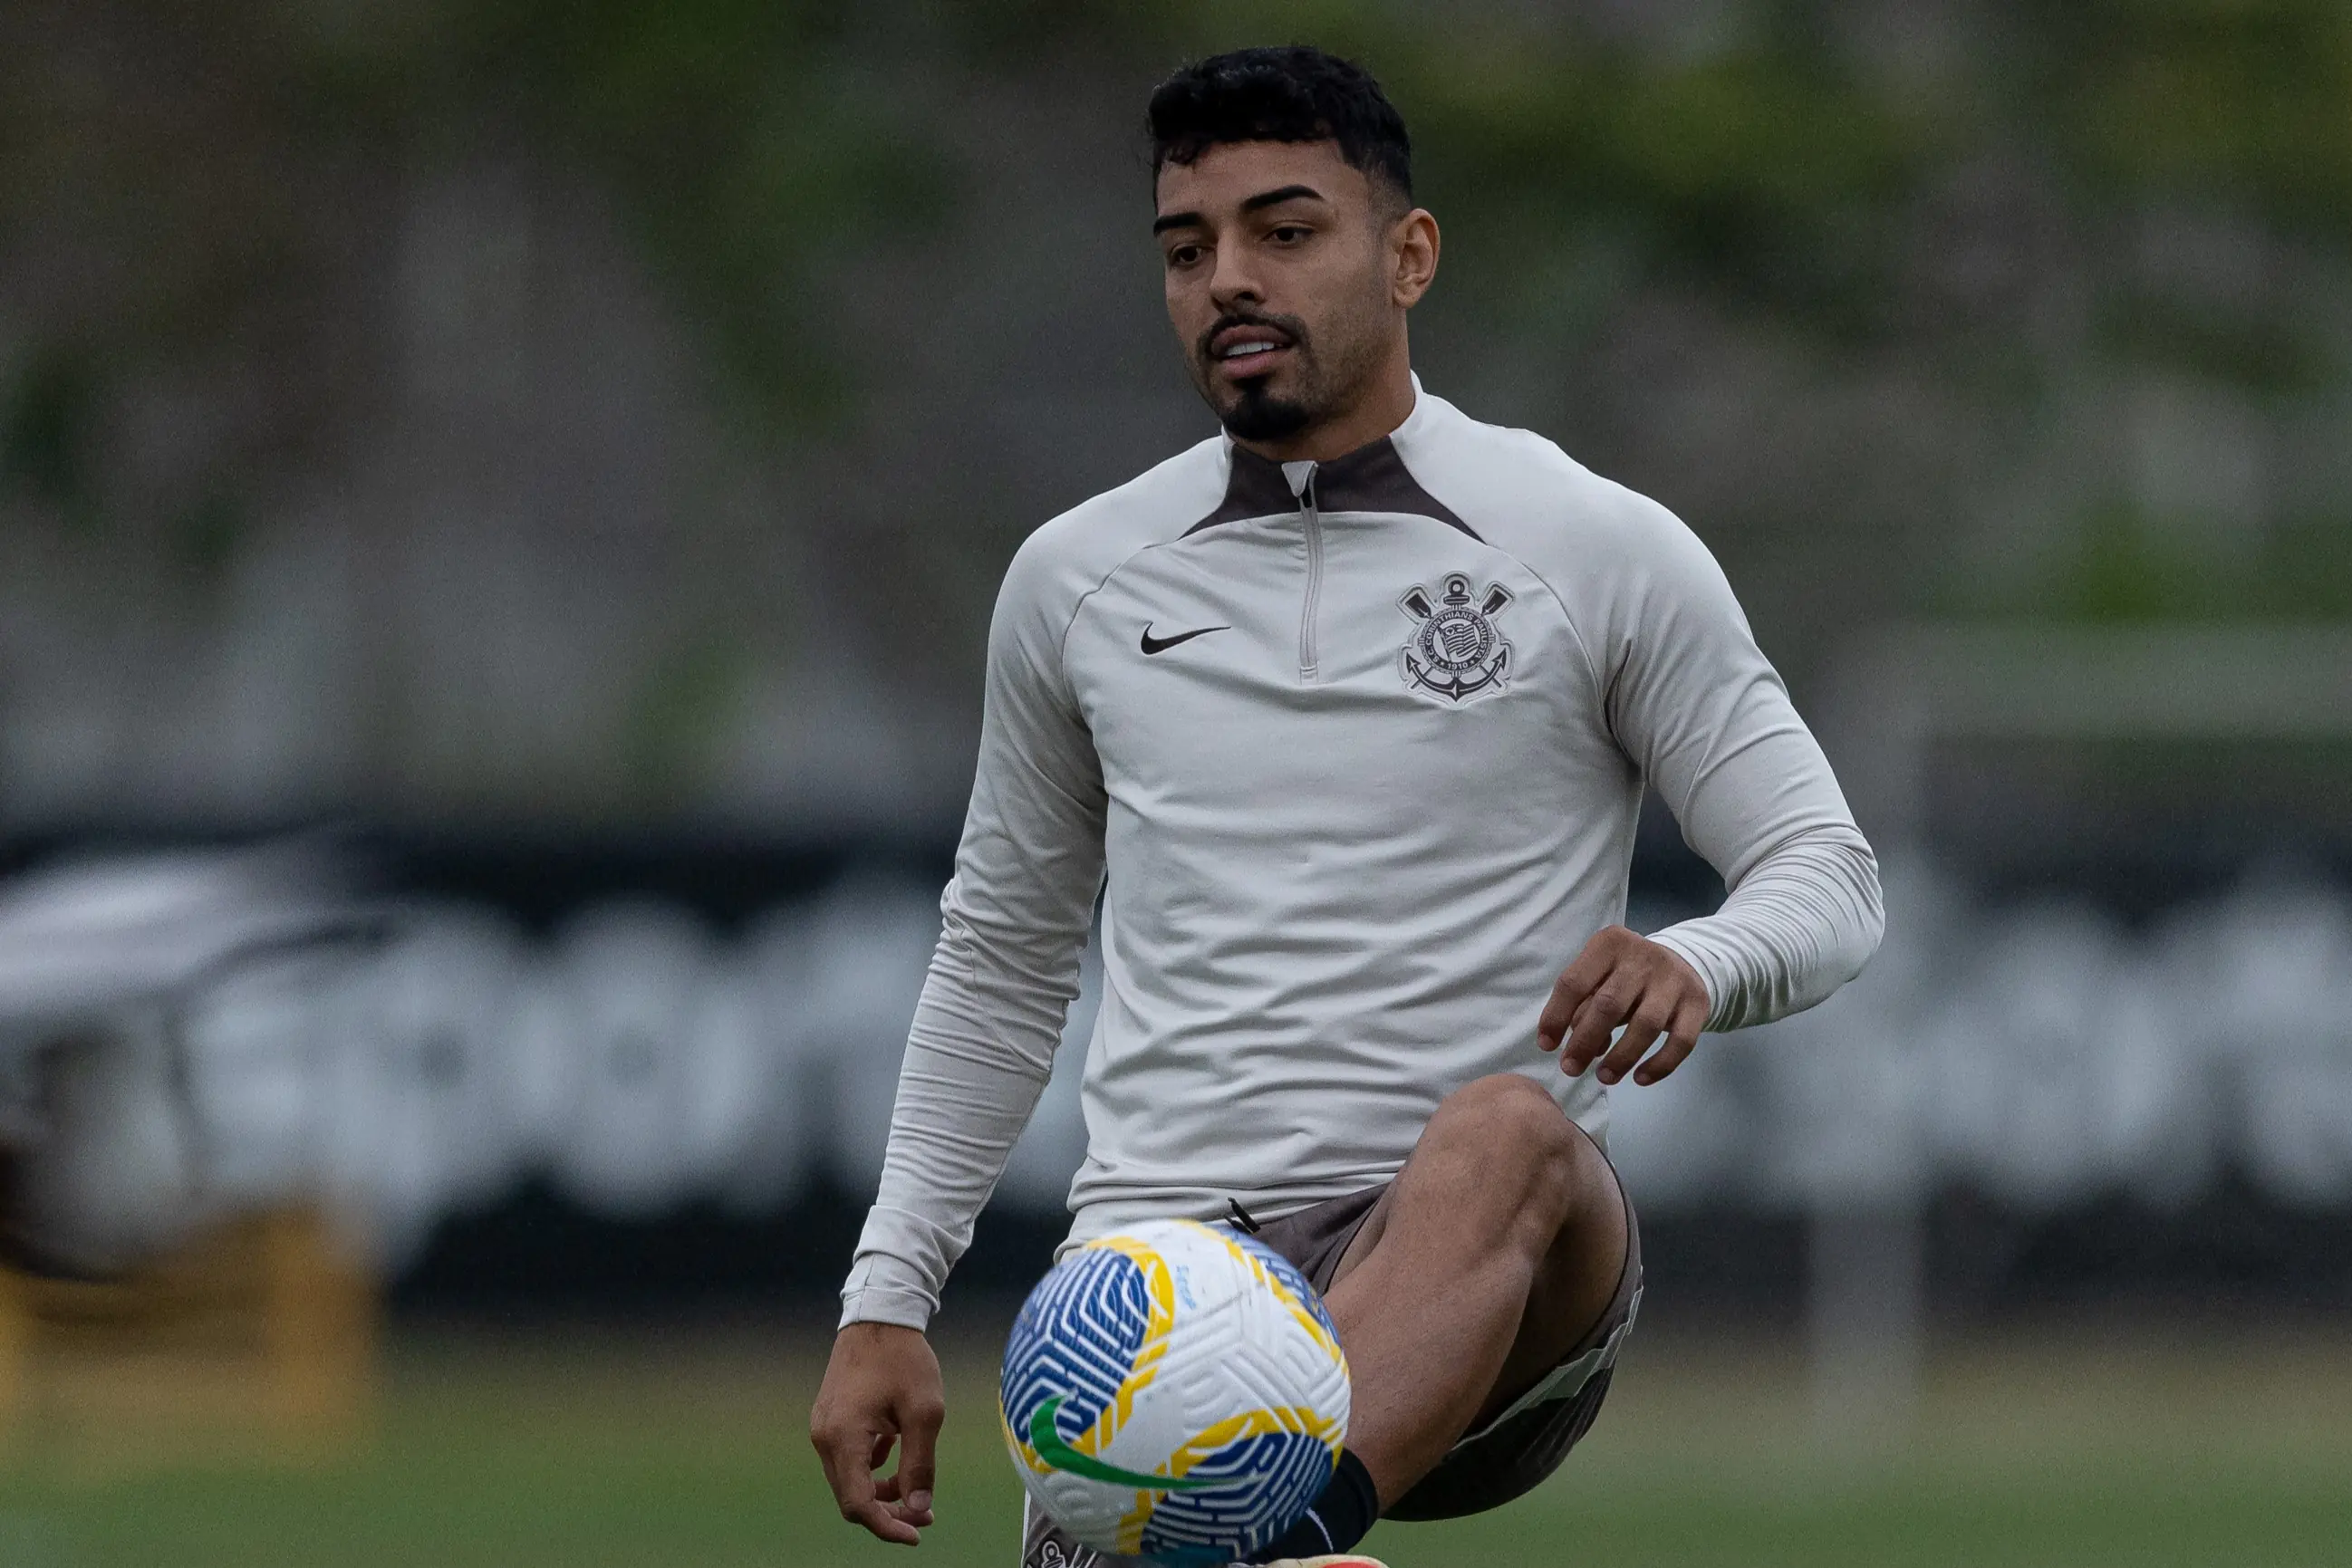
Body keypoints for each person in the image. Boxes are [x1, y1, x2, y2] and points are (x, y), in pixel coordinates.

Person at [809, 44, 1884, 1568]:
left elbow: (1827, 869)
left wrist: (1697, 958)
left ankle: (1268, 1541)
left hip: (1483, 1274)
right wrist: (884, 1300)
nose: (1228, 279)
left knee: (1510, 1130)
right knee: (1166, 1331)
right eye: (1189, 250)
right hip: (1164, 1270)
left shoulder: (1590, 544)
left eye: (1285, 230)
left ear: (1410, 254)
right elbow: (999, 959)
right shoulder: (1077, 580)